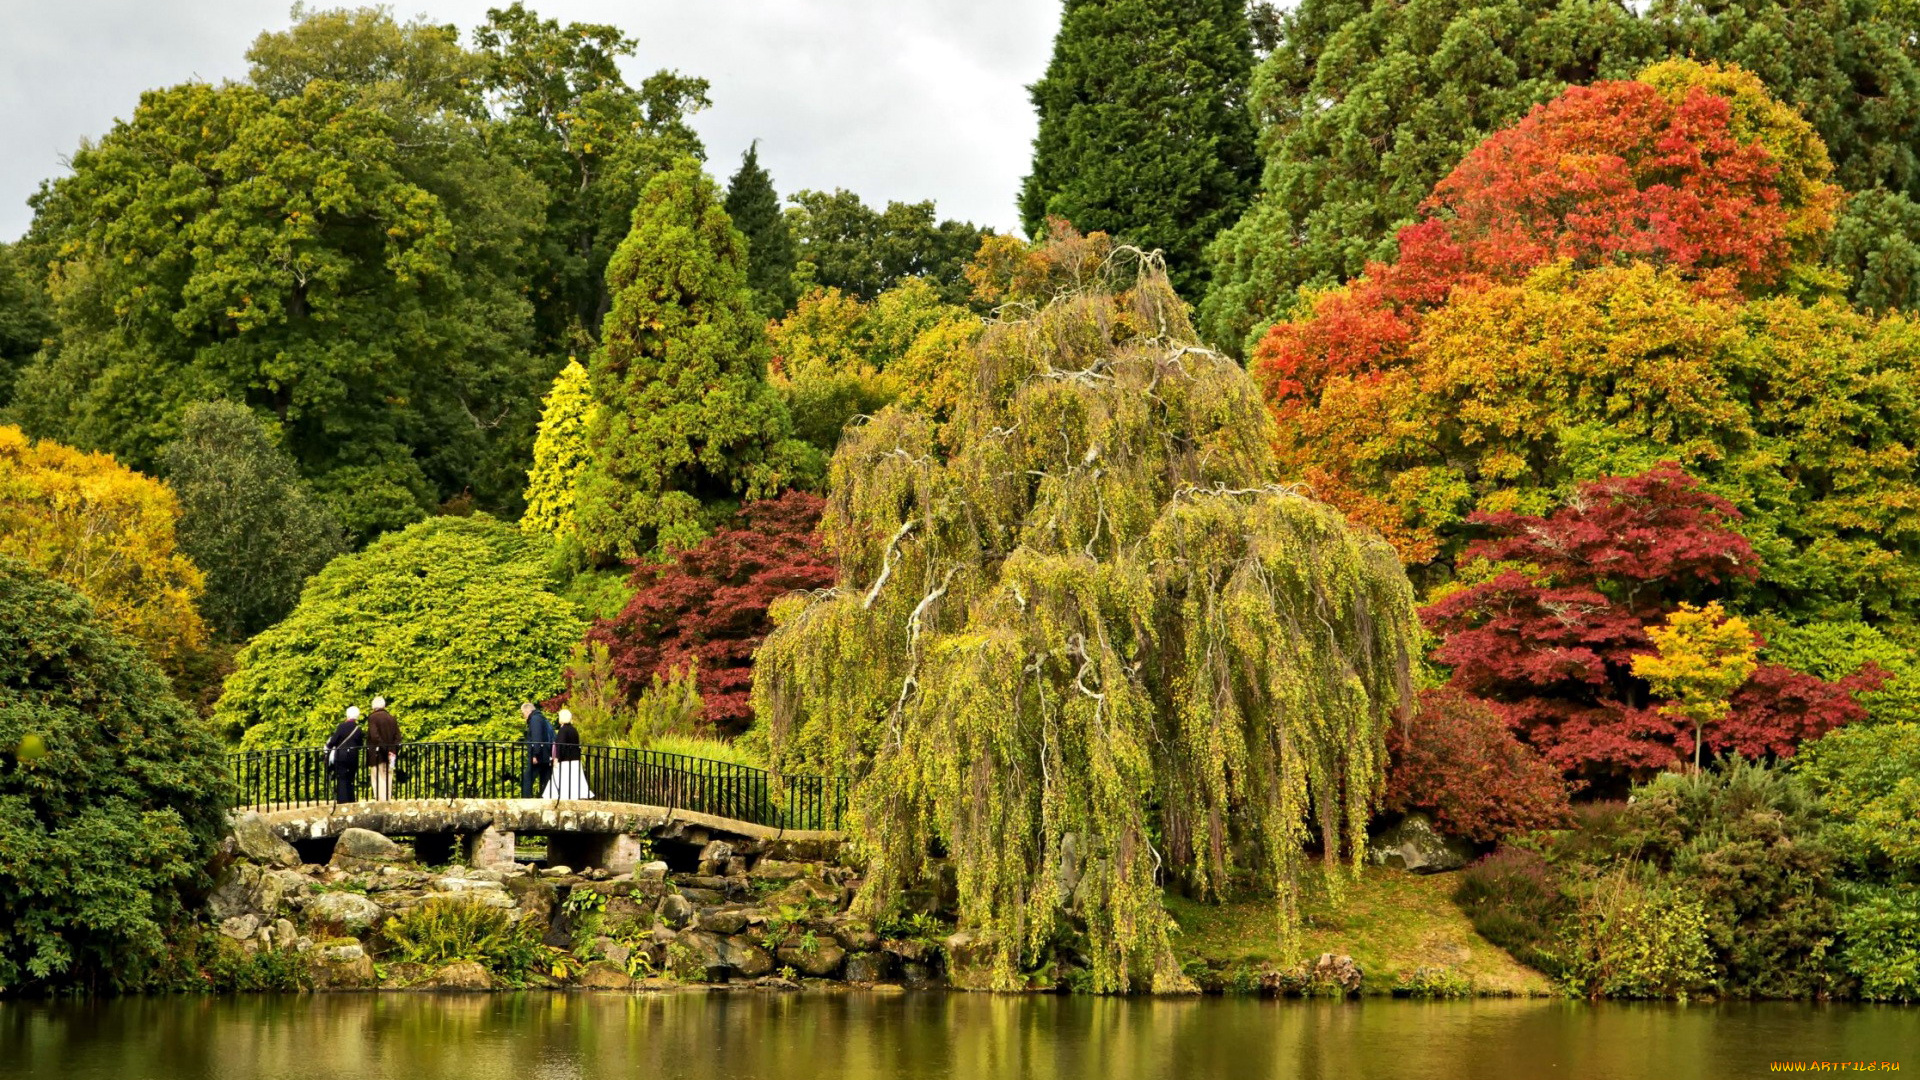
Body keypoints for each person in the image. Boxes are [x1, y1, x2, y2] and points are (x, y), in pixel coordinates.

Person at [543, 709, 593, 800]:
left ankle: (559, 796)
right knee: (574, 779)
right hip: (575, 759)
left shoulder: (563, 730)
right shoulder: (573, 730)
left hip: (565, 760)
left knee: (562, 778)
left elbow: (560, 745)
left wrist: (557, 758)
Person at [364, 696, 403, 801]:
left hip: (377, 753)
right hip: (391, 754)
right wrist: (392, 750)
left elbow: (374, 736)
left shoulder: (373, 717)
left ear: (373, 706)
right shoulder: (391, 718)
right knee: (388, 777)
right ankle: (388, 799)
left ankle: (381, 801)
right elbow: (398, 737)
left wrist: (384, 748)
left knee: (377, 777)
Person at [324, 706, 366, 803]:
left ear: (347, 715)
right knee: (350, 778)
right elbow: (360, 744)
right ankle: (351, 800)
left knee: (342, 778)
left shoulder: (341, 726)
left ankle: (342, 801)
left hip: (341, 755)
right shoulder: (358, 729)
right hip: (353, 756)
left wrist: (327, 748)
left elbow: (333, 741)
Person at [520, 701, 554, 798]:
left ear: (527, 711)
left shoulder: (535, 720)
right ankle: (545, 798)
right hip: (545, 754)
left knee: (528, 777)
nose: (524, 716)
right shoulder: (541, 718)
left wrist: (535, 754)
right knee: (545, 778)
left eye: (523, 713)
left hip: (539, 755)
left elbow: (537, 738)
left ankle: (526, 799)